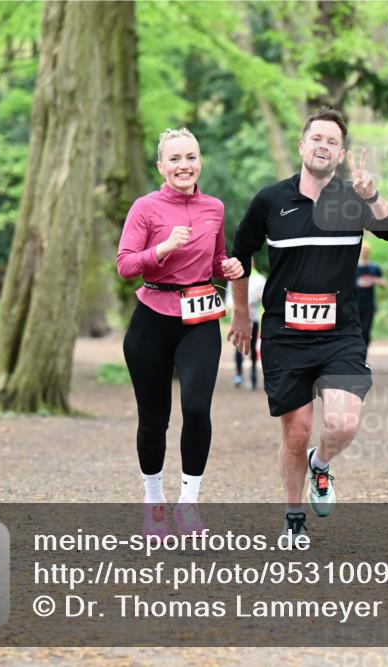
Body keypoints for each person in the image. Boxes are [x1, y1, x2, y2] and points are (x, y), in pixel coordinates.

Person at [228, 107, 388, 535]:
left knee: (343, 423)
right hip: (285, 335)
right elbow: (239, 256)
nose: (323, 146)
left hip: (340, 334)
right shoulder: (270, 201)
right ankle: (294, 519)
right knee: (297, 431)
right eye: (317, 138)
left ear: (341, 153)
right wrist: (240, 314)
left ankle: (321, 465)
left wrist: (372, 196)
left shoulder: (352, 199)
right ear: (302, 145)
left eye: (331, 141)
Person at [117, 128, 244, 538]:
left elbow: (215, 260)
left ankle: (188, 504)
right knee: (154, 419)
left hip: (199, 319)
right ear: (161, 166)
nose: (183, 165)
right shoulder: (145, 207)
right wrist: (164, 248)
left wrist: (229, 267)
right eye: (174, 159)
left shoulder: (215, 207)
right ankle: (153, 500)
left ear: (200, 162)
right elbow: (125, 264)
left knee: (195, 407)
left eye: (190, 157)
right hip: (152, 316)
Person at [232, 267, 265, 390]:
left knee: (252, 348)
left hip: (253, 319)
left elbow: (264, 297)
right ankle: (239, 375)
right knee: (239, 347)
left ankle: (253, 376)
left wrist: (257, 298)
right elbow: (230, 300)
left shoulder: (260, 279)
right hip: (238, 321)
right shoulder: (234, 276)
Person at [354, 242, 386, 347]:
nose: (365, 253)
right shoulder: (353, 267)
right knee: (356, 331)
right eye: (363, 250)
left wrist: (377, 281)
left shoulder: (374, 268)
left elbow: (384, 284)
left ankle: (364, 354)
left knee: (366, 331)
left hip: (369, 305)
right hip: (355, 305)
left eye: (367, 251)